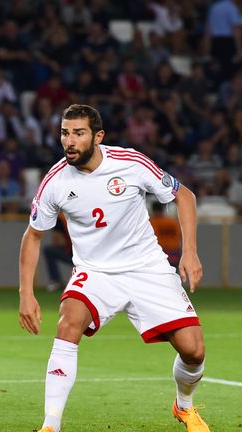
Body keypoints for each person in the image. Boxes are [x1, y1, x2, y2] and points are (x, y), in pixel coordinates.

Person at [18, 104, 208, 432]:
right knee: (68, 324)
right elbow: (33, 237)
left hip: (147, 268)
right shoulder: (55, 182)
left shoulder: (130, 163)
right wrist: (26, 293)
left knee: (194, 351)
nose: (70, 141)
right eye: (65, 133)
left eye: (78, 133)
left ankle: (184, 406)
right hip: (95, 272)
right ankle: (50, 425)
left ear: (98, 136)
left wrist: (188, 253)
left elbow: (185, 196)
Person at [42, 213, 72, 291]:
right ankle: (56, 281)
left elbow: (57, 240)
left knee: (49, 251)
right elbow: (57, 239)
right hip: (77, 251)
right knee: (49, 250)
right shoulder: (61, 218)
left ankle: (56, 282)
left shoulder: (61, 217)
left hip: (81, 252)